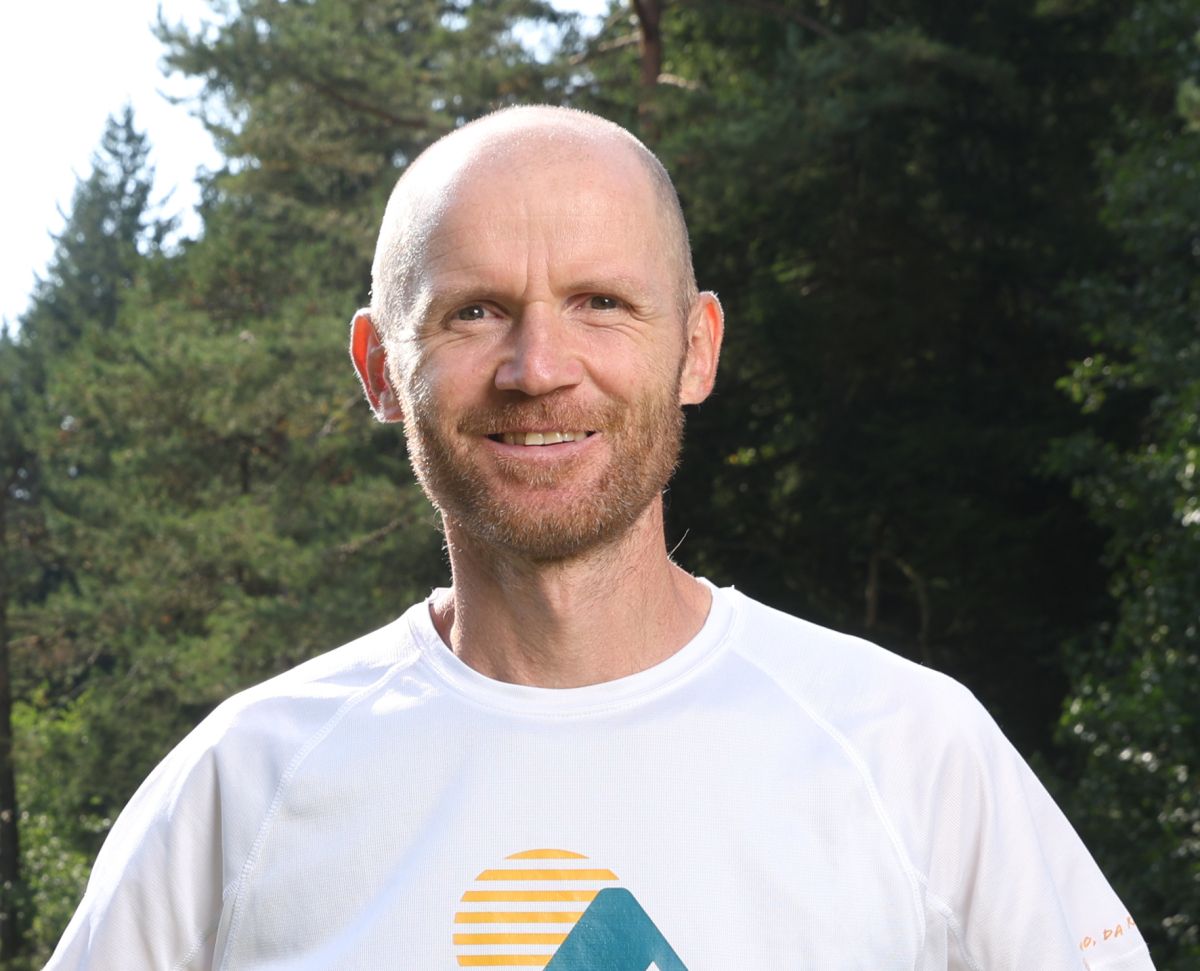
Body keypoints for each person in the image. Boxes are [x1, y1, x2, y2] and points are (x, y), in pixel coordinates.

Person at [47, 106, 1154, 971]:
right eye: (474, 310)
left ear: (697, 347)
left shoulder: (910, 749)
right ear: (380, 368)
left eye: (602, 303)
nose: (539, 368)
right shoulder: (241, 785)